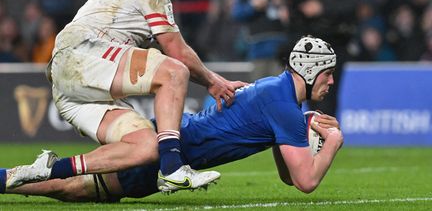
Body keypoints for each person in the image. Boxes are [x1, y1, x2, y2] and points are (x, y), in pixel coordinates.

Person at [0, 35, 344, 201]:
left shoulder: (276, 92)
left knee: (74, 187)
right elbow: (305, 182)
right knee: (72, 187)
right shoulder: (284, 105)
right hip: (168, 154)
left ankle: (15, 176)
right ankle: (21, 174)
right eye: (328, 74)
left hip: (174, 139)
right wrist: (333, 143)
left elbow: (287, 174)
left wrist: (298, 131)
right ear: (311, 70)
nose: (331, 82)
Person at [5, 0, 246, 193]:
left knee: (146, 147)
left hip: (69, 87)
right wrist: (214, 82)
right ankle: (173, 167)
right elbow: (177, 51)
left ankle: (44, 169)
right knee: (174, 72)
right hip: (80, 55)